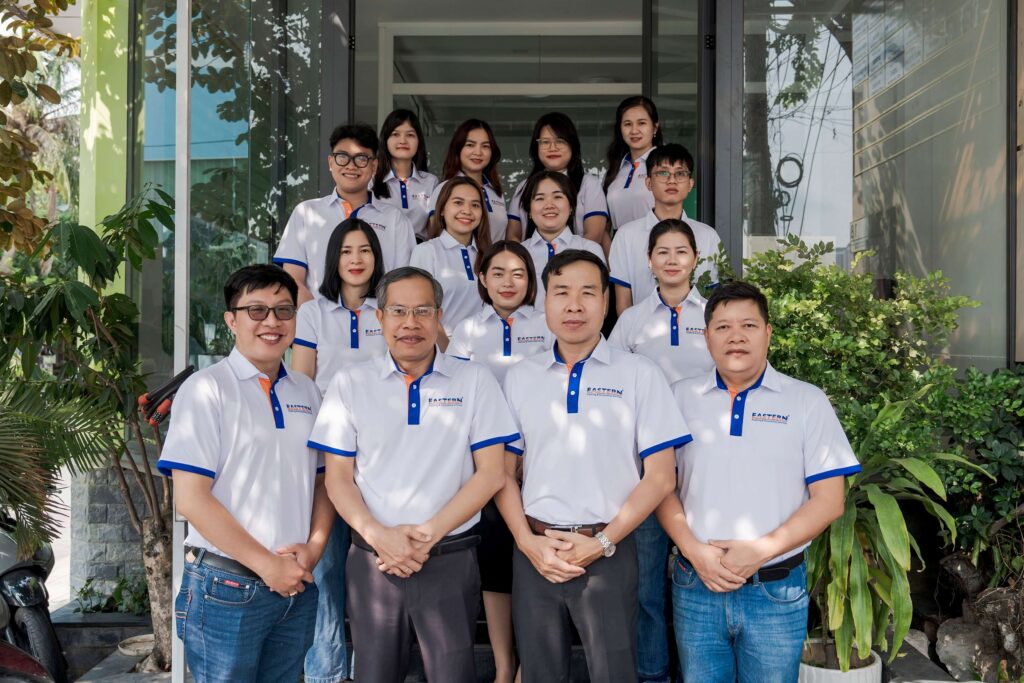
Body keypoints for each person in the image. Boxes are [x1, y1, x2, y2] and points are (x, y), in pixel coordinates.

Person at [308, 267, 520, 683]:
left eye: (423, 311)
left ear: (439, 317)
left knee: (452, 675)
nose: (411, 322)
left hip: (449, 557)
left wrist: (428, 535)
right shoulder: (351, 383)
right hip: (374, 561)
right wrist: (379, 536)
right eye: (399, 311)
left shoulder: (473, 379)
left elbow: (492, 473)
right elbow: (337, 479)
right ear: (380, 317)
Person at [496, 249, 691, 683]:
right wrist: (527, 542)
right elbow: (502, 474)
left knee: (613, 673)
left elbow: (661, 476)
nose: (574, 305)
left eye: (587, 293)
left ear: (605, 303)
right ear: (544, 302)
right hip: (535, 550)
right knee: (540, 673)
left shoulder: (639, 374)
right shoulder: (521, 377)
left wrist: (601, 542)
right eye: (561, 292)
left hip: (610, 552)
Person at [658, 281, 862, 682]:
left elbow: (829, 500)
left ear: (768, 333)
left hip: (776, 589)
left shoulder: (806, 401)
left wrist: (760, 551)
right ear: (706, 336)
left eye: (748, 325)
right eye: (723, 327)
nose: (736, 336)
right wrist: (694, 551)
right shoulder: (678, 398)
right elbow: (662, 486)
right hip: (696, 584)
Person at [159, 264, 333, 682]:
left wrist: (313, 549)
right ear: (231, 320)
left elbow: (323, 482)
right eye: (257, 310)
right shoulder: (207, 389)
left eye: (283, 310)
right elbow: (192, 499)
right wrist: (267, 565)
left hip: (295, 587)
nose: (272, 321)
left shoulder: (307, 391)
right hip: (226, 588)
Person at [607, 218, 714, 683]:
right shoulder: (631, 321)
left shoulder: (713, 315)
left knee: (702, 580)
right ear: (649, 261)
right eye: (662, 252)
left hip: (704, 468)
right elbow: (611, 389)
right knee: (648, 588)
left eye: (681, 251)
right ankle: (652, 674)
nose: (672, 260)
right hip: (648, 472)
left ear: (696, 259)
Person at [447, 240, 552, 683]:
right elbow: (454, 398)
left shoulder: (548, 324)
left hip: (542, 462)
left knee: (536, 563)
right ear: (482, 279)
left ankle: (533, 662)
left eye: (519, 273)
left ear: (531, 281)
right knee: (495, 568)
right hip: (486, 464)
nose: (508, 282)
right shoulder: (466, 330)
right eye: (498, 273)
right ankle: (504, 665)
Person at [291, 218, 386, 683]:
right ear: (333, 259)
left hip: (380, 459)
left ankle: (370, 669)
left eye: (365, 250)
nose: (356, 259)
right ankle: (326, 674)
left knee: (374, 573)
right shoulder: (313, 313)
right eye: (346, 251)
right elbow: (302, 382)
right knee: (326, 570)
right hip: (328, 459)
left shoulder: (388, 310)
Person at [274, 123, 416, 304]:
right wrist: (316, 317)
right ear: (330, 162)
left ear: (374, 165)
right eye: (342, 157)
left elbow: (403, 283)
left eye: (361, 158)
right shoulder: (306, 213)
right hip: (317, 321)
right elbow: (293, 280)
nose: (351, 166)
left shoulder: (395, 220)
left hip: (378, 321)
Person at [609, 143, 722, 315]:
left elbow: (713, 301)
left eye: (680, 173)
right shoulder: (626, 236)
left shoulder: (708, 236)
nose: (672, 180)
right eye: (663, 173)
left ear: (690, 184)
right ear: (648, 182)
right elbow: (623, 304)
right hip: (641, 330)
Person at [506, 112, 610, 251]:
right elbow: (513, 235)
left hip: (578, 260)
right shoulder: (524, 187)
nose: (552, 148)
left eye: (560, 141)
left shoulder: (588, 183)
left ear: (572, 145)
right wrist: (528, 259)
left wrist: (566, 260)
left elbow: (594, 235)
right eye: (545, 142)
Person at [411, 176, 492, 338]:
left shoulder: (489, 255)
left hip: (483, 345)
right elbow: (421, 310)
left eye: (475, 205)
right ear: (441, 209)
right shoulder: (426, 252)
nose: (467, 211)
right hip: (442, 347)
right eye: (458, 203)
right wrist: (450, 349)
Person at [519, 170, 605, 306]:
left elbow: (599, 306)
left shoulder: (590, 249)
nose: (549, 205)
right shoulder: (518, 253)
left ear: (571, 207)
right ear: (529, 210)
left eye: (557, 197)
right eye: (540, 198)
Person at [428, 119, 508, 243]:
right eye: (470, 145)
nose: (478, 152)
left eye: (485, 146)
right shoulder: (445, 188)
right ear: (458, 149)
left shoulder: (496, 192)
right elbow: (435, 234)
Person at [371, 109, 439, 240]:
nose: (403, 140)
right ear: (385, 140)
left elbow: (434, 230)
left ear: (418, 141)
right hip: (382, 249)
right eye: (395, 134)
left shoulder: (431, 182)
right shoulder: (371, 180)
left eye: (410, 135)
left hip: (420, 250)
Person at [602, 96, 662, 231]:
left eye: (641, 123)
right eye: (627, 124)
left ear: (655, 127)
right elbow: (605, 225)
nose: (634, 130)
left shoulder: (664, 165)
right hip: (619, 242)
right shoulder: (614, 170)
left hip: (657, 240)